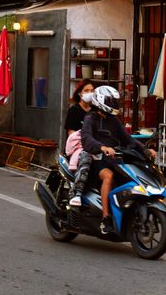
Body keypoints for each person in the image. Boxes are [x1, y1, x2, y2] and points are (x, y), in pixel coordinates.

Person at [81, 86, 157, 235]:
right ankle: (106, 218)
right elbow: (86, 138)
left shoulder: (113, 120)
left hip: (114, 159)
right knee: (108, 176)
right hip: (96, 160)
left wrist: (146, 151)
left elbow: (129, 139)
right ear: (101, 101)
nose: (114, 104)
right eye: (111, 101)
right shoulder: (90, 118)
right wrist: (102, 147)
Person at [64, 82, 94, 207]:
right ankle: (76, 193)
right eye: (87, 90)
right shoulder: (74, 110)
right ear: (80, 93)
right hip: (78, 147)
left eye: (92, 90)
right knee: (85, 158)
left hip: (96, 146)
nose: (90, 93)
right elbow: (72, 136)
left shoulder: (96, 111)